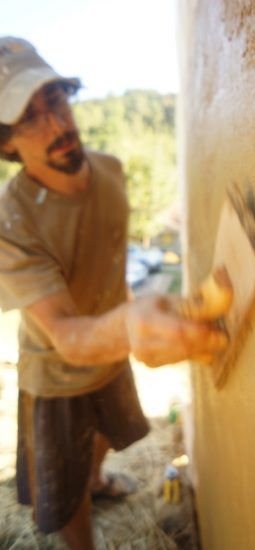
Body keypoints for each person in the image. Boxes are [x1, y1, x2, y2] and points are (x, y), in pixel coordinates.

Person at [0, 37, 228, 549]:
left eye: (54, 100)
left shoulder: (110, 171)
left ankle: (100, 480)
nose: (56, 124)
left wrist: (128, 315)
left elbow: (108, 262)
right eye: (29, 117)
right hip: (57, 375)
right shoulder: (9, 222)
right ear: (6, 142)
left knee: (106, 432)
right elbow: (65, 335)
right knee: (64, 486)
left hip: (113, 343)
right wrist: (128, 325)